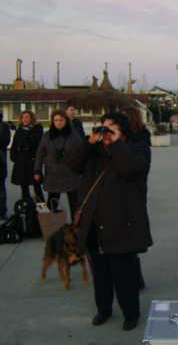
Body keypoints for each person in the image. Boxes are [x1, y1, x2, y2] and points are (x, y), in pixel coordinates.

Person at [67, 112, 152, 331]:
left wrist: (115, 145)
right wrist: (89, 143)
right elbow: (73, 164)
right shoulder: (95, 150)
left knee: (123, 274)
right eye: (103, 125)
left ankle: (131, 314)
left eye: (112, 126)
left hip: (121, 222)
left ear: (123, 130)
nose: (106, 130)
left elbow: (131, 170)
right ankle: (103, 309)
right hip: (95, 222)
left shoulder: (136, 148)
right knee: (100, 273)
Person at [120, 106, 151, 291]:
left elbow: (139, 166)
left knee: (130, 236)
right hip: (119, 191)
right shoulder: (123, 138)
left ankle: (135, 278)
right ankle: (132, 276)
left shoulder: (139, 139)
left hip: (134, 191)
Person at [34, 109, 82, 217]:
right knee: (52, 203)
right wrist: (37, 170)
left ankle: (77, 229)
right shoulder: (47, 135)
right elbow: (40, 153)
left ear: (66, 121)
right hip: (53, 174)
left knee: (75, 204)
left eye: (61, 120)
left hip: (71, 174)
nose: (58, 122)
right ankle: (51, 228)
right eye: (56, 120)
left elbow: (81, 153)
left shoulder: (74, 135)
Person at [10, 111, 45, 201]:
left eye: (27, 117)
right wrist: (14, 157)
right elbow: (14, 145)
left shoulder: (37, 129)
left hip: (33, 162)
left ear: (31, 118)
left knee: (37, 187)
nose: (24, 119)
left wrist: (28, 134)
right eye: (23, 117)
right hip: (21, 161)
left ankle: (42, 211)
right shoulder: (19, 130)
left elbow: (37, 143)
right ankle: (27, 208)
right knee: (24, 187)